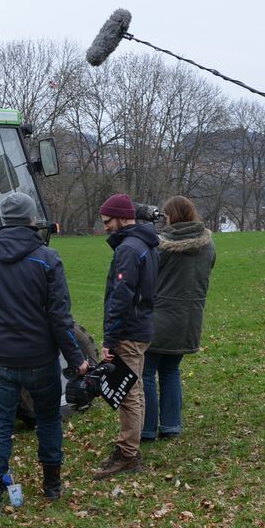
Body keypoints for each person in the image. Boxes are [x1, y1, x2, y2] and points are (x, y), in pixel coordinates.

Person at [0, 192, 89, 518]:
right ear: (31, 219)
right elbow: (60, 318)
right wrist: (77, 359)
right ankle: (52, 485)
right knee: (48, 419)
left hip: (2, 359)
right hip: (41, 358)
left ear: (4, 220)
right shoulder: (48, 259)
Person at [92, 194, 159, 480]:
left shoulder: (128, 250)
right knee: (137, 389)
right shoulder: (145, 244)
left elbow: (121, 298)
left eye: (108, 221)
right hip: (142, 326)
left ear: (121, 218)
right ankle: (131, 445)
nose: (106, 227)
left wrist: (109, 340)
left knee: (128, 394)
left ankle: (127, 454)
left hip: (129, 332)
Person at [141, 196, 216, 443]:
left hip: (161, 316)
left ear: (172, 216)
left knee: (148, 372)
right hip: (190, 319)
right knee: (171, 370)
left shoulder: (162, 247)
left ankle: (148, 429)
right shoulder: (208, 246)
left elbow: (148, 276)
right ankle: (171, 425)